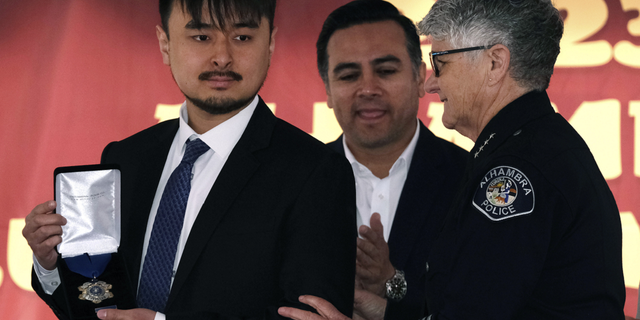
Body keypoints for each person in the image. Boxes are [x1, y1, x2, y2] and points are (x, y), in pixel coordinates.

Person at [278, 0, 626, 319]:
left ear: (494, 62)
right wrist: (386, 311)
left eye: (440, 64)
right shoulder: (531, 146)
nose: (432, 84)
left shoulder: (513, 172)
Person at [22, 0, 357, 319]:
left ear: (270, 44)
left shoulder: (316, 171)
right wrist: (50, 264)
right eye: (201, 37)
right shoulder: (127, 157)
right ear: (165, 44)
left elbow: (309, 316)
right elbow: (101, 303)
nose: (222, 57)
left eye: (242, 37)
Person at [316, 1, 466, 318]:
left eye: (385, 71)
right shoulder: (295, 179)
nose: (368, 88)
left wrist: (390, 282)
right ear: (327, 90)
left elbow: (483, 304)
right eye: (348, 75)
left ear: (420, 77)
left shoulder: (470, 178)